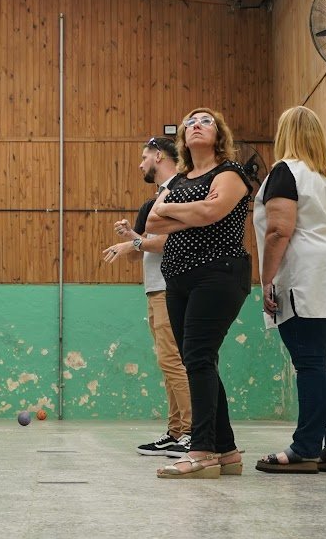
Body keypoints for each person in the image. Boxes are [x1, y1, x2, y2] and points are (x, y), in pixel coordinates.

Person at [254, 106, 326, 475]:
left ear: (284, 134)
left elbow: (278, 230)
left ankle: (304, 448)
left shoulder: (286, 171)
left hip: (307, 277)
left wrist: (267, 278)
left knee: (311, 363)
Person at [145, 109, 254, 479]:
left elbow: (213, 211)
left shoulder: (230, 173)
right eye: (191, 122)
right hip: (177, 278)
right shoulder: (178, 178)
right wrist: (189, 210)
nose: (196, 125)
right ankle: (226, 451)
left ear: (219, 133)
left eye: (205, 121)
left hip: (219, 273)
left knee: (198, 357)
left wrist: (177, 211)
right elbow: (152, 220)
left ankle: (202, 449)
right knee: (200, 359)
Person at [103, 136, 191, 457]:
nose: (140, 164)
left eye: (144, 157)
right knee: (167, 362)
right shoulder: (153, 201)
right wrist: (132, 239)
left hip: (171, 288)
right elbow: (139, 254)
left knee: (174, 361)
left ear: (158, 155)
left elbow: (167, 242)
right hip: (155, 288)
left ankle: (192, 431)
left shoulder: (180, 190)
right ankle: (176, 430)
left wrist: (133, 243)